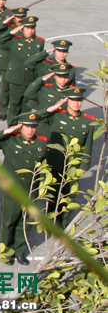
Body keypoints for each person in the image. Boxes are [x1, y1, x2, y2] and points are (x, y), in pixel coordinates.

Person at [0, 114, 49, 265]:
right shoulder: (10, 140)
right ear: (21, 127)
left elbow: (44, 164)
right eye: (27, 127)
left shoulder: (41, 143)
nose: (30, 130)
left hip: (30, 190)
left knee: (25, 222)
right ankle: (6, 253)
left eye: (33, 127)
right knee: (9, 222)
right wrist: (7, 131)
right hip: (11, 189)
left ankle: (19, 251)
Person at [42, 88, 99, 227]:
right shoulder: (57, 116)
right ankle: (51, 220)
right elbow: (39, 117)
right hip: (56, 161)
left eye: (79, 100)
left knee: (69, 195)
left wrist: (85, 165)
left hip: (74, 164)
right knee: (53, 192)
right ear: (67, 101)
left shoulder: (88, 121)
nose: (76, 104)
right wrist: (54, 107)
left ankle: (62, 221)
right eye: (73, 100)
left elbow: (88, 144)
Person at [0, 15, 45, 125]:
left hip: (30, 77)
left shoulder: (39, 42)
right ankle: (12, 126)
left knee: (26, 105)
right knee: (14, 104)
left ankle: (23, 125)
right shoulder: (14, 40)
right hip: (16, 77)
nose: (30, 31)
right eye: (27, 28)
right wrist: (11, 32)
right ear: (22, 28)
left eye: (32, 28)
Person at [0, 7, 30, 120]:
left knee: (19, 91)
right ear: (14, 17)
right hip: (7, 61)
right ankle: (3, 111)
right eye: (18, 17)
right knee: (5, 89)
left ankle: (18, 111)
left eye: (22, 17)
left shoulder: (27, 30)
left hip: (20, 65)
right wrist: (10, 31)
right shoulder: (8, 27)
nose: (20, 19)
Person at [22, 63, 75, 135]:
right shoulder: (45, 89)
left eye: (65, 77)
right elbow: (27, 94)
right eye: (59, 76)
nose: (63, 79)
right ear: (54, 76)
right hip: (44, 125)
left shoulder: (72, 92)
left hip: (62, 126)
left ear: (68, 77)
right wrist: (41, 79)